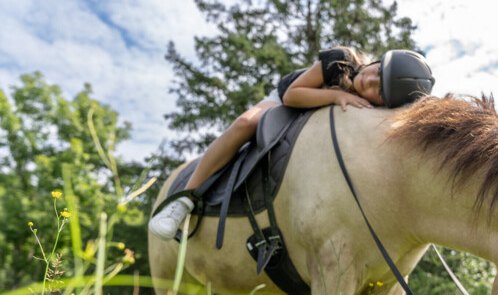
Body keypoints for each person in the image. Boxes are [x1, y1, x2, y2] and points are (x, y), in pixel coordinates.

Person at [149, 47, 434, 239]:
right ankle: (184, 198)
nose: (369, 82)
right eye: (376, 72)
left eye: (379, 91)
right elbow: (293, 96)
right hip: (289, 101)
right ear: (375, 61)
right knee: (246, 124)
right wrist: (336, 96)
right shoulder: (341, 60)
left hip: (318, 122)